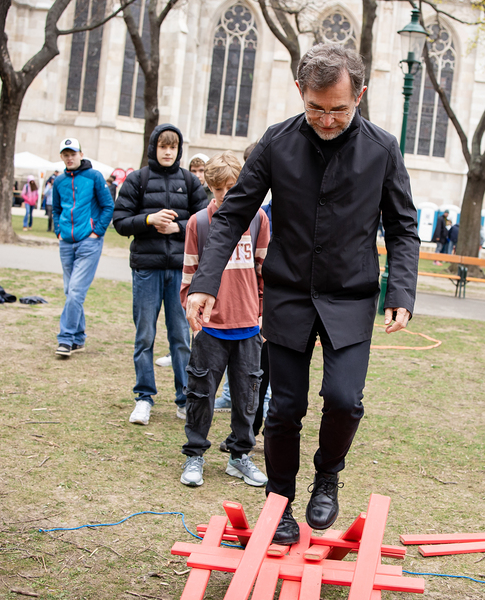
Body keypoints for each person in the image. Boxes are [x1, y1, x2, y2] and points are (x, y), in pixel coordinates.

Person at [184, 43, 419, 545]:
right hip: (288, 293)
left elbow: (403, 228)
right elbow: (232, 215)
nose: (327, 120)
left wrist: (400, 290)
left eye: (339, 109)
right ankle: (280, 501)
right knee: (284, 407)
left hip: (351, 295)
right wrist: (205, 282)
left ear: (360, 95)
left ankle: (327, 476)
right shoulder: (276, 142)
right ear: (299, 91)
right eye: (316, 108)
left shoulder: (382, 149)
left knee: (344, 400)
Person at [178, 151, 271, 488]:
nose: (224, 196)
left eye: (231, 188)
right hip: (210, 329)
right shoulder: (198, 223)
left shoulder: (258, 219)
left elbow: (265, 273)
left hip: (248, 327)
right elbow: (188, 277)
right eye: (218, 190)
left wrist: (263, 314)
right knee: (200, 394)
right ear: (210, 188)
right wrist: (192, 312)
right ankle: (194, 455)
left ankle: (239, 455)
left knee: (247, 398)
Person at [112, 125, 207, 423]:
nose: (168, 151)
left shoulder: (189, 182)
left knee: (181, 337)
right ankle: (144, 398)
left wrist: (178, 227)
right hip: (146, 270)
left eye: (173, 146)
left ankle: (184, 398)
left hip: (180, 272)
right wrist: (149, 219)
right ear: (154, 148)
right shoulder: (137, 180)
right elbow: (120, 221)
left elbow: (207, 220)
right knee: (145, 336)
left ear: (179, 150)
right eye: (163, 146)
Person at [52, 138, 114, 358]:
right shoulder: (59, 181)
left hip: (89, 242)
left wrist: (97, 231)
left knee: (76, 291)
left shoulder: (94, 177)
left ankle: (65, 338)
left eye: (73, 154)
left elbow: (108, 206)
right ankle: (78, 337)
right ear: (62, 157)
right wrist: (58, 231)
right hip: (66, 242)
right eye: (66, 154)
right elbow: (56, 209)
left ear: (81, 154)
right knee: (70, 291)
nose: (70, 158)